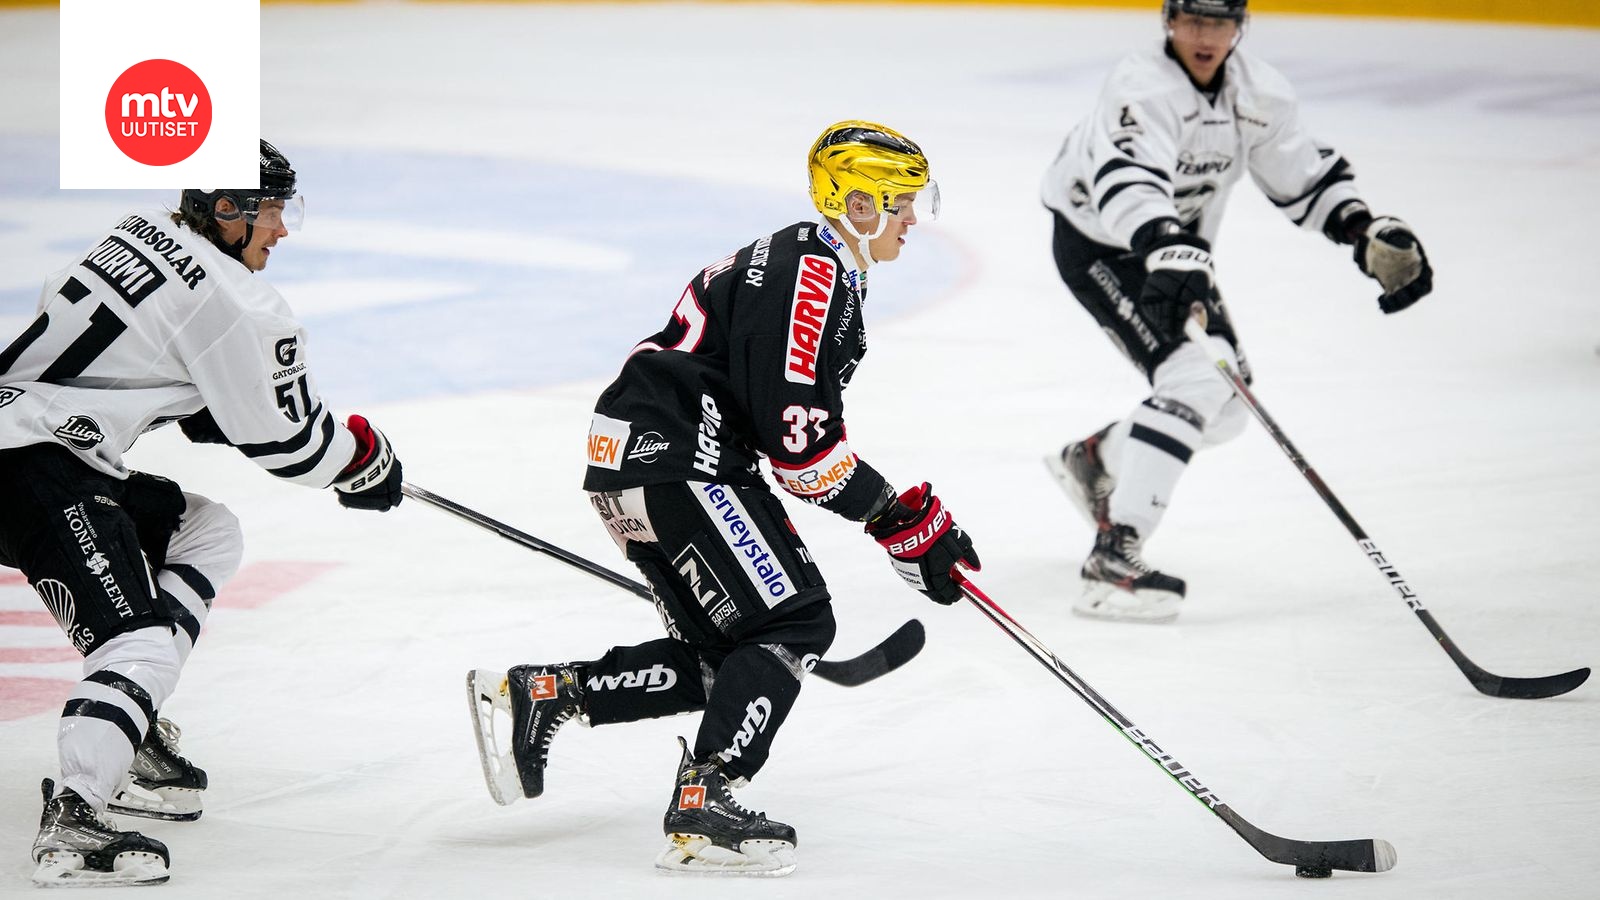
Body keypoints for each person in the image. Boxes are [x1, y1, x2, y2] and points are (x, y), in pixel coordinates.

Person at [466, 120, 979, 876]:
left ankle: (546, 694)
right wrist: (894, 515)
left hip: (635, 457)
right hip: (682, 459)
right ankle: (707, 796)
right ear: (860, 204)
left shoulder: (804, 257)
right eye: (901, 202)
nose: (913, 219)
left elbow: (791, 437)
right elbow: (799, 452)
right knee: (797, 618)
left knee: (726, 656)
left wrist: (893, 517)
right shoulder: (814, 272)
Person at [0, 140, 405, 887]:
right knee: (139, 644)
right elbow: (290, 444)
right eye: (272, 211)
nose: (281, 230)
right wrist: (364, 461)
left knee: (205, 528)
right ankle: (76, 819)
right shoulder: (239, 300)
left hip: (24, 436)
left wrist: (197, 401)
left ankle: (130, 727)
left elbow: (136, 349)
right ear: (228, 211)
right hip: (35, 465)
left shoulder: (137, 229)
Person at [1039, 0, 1433, 622]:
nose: (1205, 35)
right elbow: (1127, 177)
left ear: (1239, 27)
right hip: (1102, 240)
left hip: (1177, 252)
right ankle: (1113, 558)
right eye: (1193, 20)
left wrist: (1363, 229)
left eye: (1219, 23)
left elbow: (1301, 175)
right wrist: (1164, 243)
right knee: (1196, 378)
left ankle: (1097, 462)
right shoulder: (1140, 85)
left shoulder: (1259, 93)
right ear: (1170, 21)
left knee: (1226, 400)